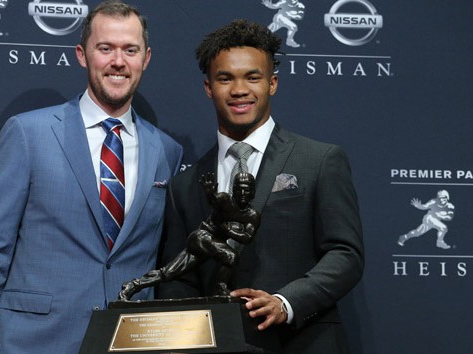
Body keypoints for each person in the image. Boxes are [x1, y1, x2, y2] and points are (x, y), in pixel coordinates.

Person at [0, 1, 183, 353]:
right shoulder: (29, 134)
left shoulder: (166, 150)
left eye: (130, 50)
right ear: (82, 54)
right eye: (105, 48)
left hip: (128, 343)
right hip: (34, 342)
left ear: (146, 58)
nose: (118, 61)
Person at [156, 19, 364, 353]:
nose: (239, 89)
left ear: (272, 83)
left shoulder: (320, 160)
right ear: (208, 87)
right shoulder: (185, 184)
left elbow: (345, 254)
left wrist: (286, 302)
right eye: (225, 78)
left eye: (252, 76)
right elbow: (178, 276)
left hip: (303, 342)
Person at [118, 172, 260, 301]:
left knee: (168, 273)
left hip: (211, 245)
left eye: (246, 190)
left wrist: (227, 229)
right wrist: (209, 193)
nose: (242, 193)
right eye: (239, 189)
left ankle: (133, 286)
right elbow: (214, 201)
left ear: (253, 192)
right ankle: (220, 287)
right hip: (202, 238)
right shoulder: (225, 200)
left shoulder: (252, 215)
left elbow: (246, 238)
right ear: (233, 189)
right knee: (231, 257)